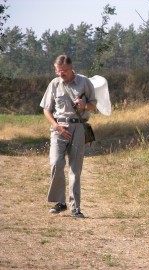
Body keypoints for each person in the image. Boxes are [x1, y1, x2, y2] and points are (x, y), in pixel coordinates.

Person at [40, 55, 97, 218]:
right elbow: (46, 109)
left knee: (75, 168)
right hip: (58, 128)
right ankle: (60, 202)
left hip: (78, 127)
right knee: (56, 162)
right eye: (58, 71)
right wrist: (55, 126)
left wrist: (85, 105)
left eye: (63, 71)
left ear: (72, 68)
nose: (61, 74)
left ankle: (75, 208)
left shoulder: (84, 82)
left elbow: (94, 104)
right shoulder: (54, 83)